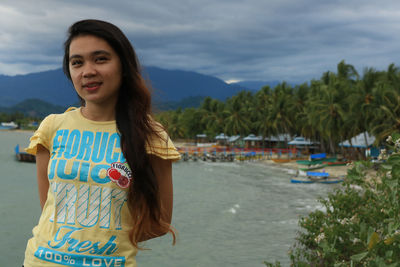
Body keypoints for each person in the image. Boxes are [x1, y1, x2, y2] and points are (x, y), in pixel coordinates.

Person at [23, 19, 181, 267]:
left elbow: (159, 220)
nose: (87, 71)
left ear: (124, 66)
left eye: (100, 59)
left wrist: (110, 242)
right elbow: (49, 210)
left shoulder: (151, 135)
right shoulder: (52, 127)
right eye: (77, 62)